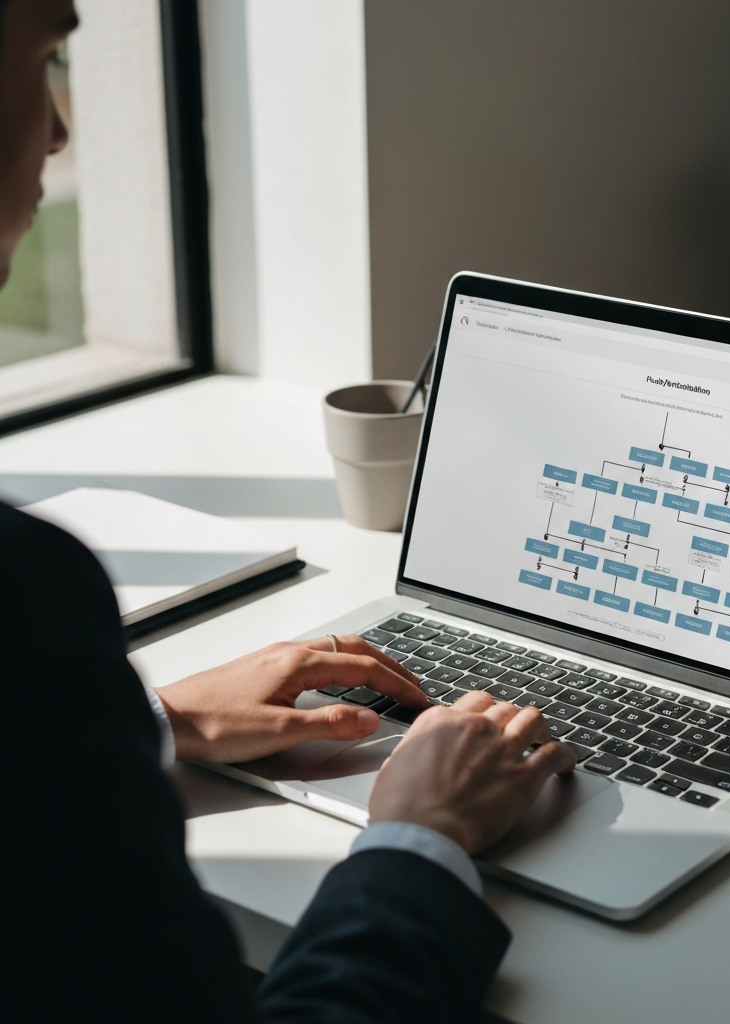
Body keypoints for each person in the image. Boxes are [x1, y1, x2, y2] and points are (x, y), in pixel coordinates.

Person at [0, 2, 576, 1021]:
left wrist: (155, 722)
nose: (58, 129)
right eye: (46, 59)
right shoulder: (24, 603)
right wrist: (421, 836)